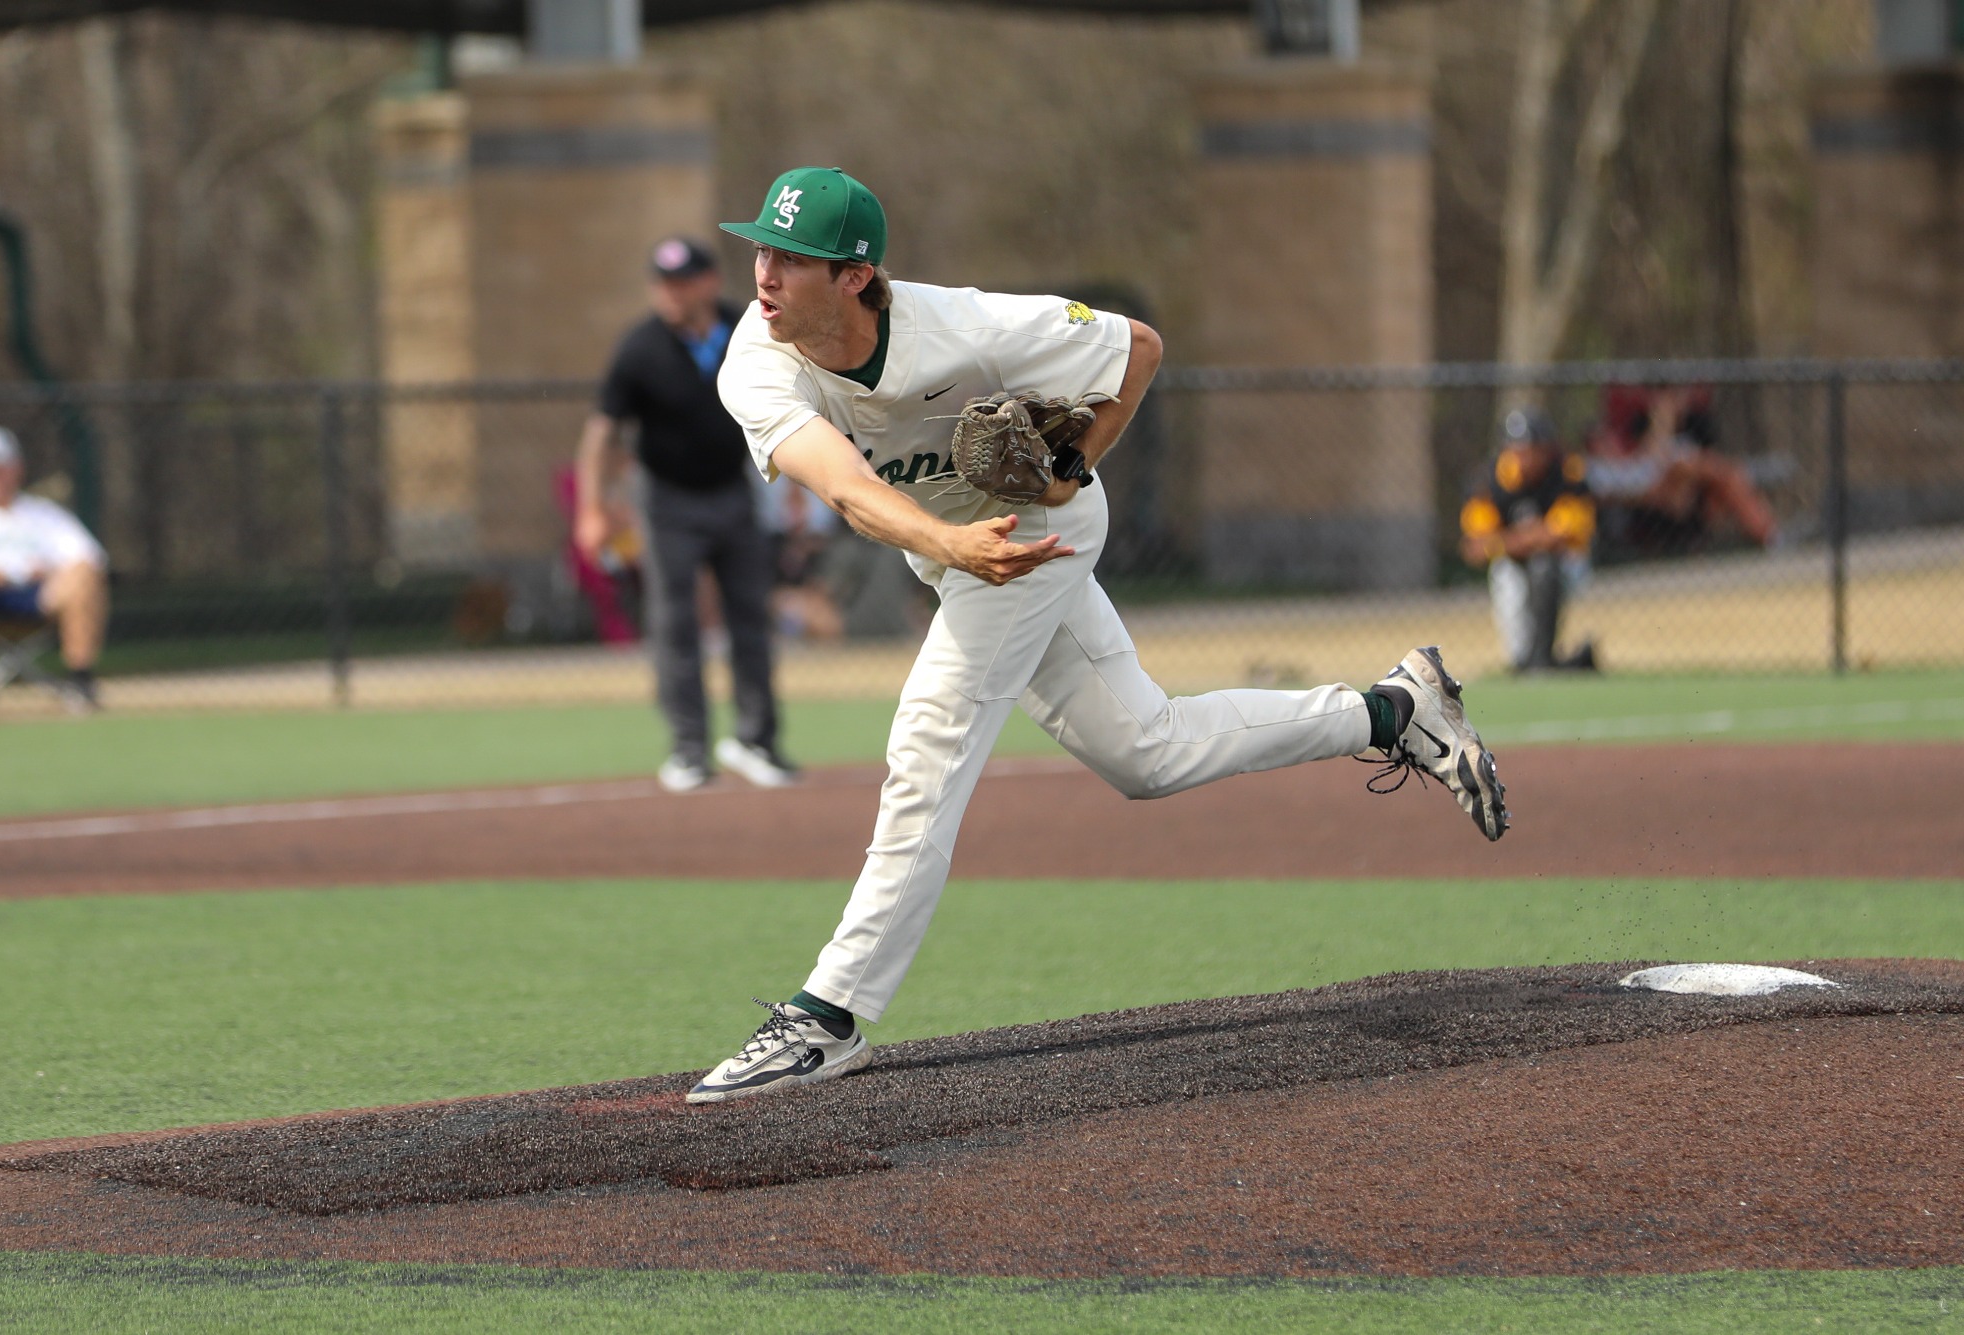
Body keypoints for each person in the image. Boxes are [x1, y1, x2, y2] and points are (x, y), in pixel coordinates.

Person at [685, 167, 1511, 1104]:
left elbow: (1138, 348)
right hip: (961, 552)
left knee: (928, 745)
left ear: (855, 276)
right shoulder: (755, 359)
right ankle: (1394, 709)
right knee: (1147, 753)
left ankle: (826, 1016)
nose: (764, 272)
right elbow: (845, 488)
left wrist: (1072, 464)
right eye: (763, 249)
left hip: (1041, 536)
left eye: (793, 258)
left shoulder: (969, 327)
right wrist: (952, 545)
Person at [573, 236, 797, 793]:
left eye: (682, 282)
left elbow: (795, 398)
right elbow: (601, 433)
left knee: (751, 617)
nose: (671, 294)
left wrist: (799, 488)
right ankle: (689, 750)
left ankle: (756, 741)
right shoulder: (641, 348)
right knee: (675, 624)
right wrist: (591, 509)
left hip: (734, 492)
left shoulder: (747, 329)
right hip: (667, 501)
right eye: (663, 284)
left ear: (710, 282)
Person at [0, 424, 108, 712]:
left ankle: (81, 679)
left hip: (39, 596)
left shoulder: (45, 514)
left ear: (17, 469)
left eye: (0, 468)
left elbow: (89, 557)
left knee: (85, 575)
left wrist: (51, 572)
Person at [1459, 408, 1599, 673]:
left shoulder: (1567, 471)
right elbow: (1474, 547)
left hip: (1566, 563)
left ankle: (1543, 659)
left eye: (1530, 449)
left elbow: (1561, 536)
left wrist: (1502, 541)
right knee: (1519, 657)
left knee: (1544, 566)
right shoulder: (1489, 478)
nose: (1522, 457)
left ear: (1546, 449)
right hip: (1512, 564)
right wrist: (1531, 537)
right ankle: (1545, 662)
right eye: (1515, 449)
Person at [1588, 385, 1777, 552]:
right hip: (1655, 484)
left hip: (1674, 483)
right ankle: (1770, 536)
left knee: (1724, 482)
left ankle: (1767, 534)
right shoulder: (1601, 465)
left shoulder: (1640, 450)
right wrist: (1662, 417)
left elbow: (1656, 458)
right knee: (1714, 473)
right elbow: (1644, 472)